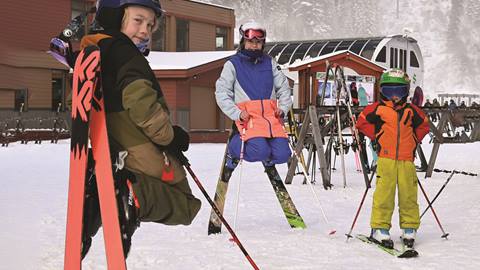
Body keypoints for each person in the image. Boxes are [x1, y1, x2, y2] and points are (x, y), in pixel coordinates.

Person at [74, 0, 201, 258]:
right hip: (141, 150)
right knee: (187, 205)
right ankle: (131, 194)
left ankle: (99, 198)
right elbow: (142, 105)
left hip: (115, 148)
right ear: (115, 16)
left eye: (151, 25)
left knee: (125, 186)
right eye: (138, 20)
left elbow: (79, 104)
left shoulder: (94, 51)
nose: (145, 30)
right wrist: (171, 136)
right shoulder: (126, 55)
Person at [356, 69, 429, 249]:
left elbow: (424, 125)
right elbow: (362, 121)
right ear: (382, 91)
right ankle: (380, 227)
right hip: (386, 159)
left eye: (399, 91)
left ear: (406, 91)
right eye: (389, 91)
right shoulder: (378, 109)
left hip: (406, 160)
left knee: (408, 195)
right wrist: (377, 135)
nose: (394, 96)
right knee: (384, 194)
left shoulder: (412, 111)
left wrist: (413, 140)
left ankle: (409, 228)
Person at [215, 21, 292, 172]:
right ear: (243, 42)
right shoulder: (233, 64)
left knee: (284, 155)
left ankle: (268, 157)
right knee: (259, 151)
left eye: (258, 42)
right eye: (250, 41)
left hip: (271, 118)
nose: (254, 45)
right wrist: (236, 113)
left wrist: (282, 108)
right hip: (250, 119)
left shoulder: (269, 63)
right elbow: (222, 93)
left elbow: (283, 88)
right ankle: (234, 149)